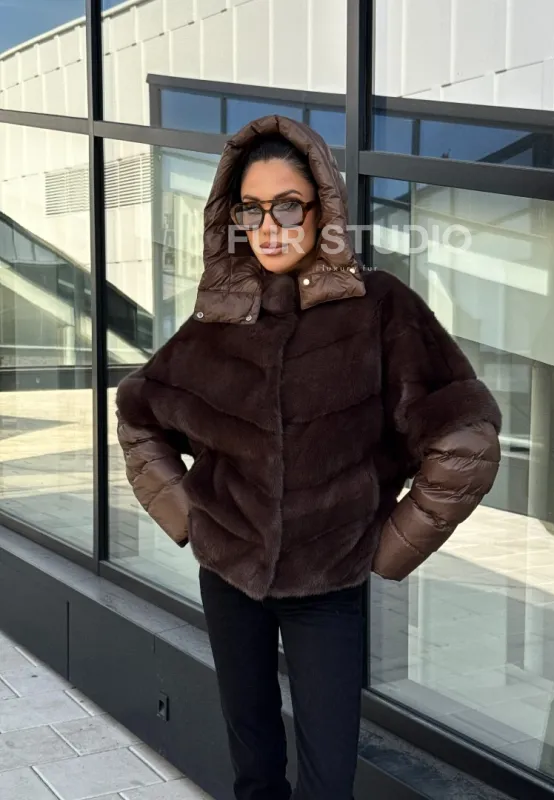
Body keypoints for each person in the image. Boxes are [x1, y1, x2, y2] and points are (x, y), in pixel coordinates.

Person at [114, 115, 502, 800]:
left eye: (287, 205)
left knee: (328, 778)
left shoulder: (380, 308)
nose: (269, 226)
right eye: (252, 209)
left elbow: (466, 437)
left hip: (327, 592)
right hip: (229, 580)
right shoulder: (219, 319)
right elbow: (139, 415)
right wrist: (190, 517)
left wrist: (390, 546)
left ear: (322, 208)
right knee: (254, 768)